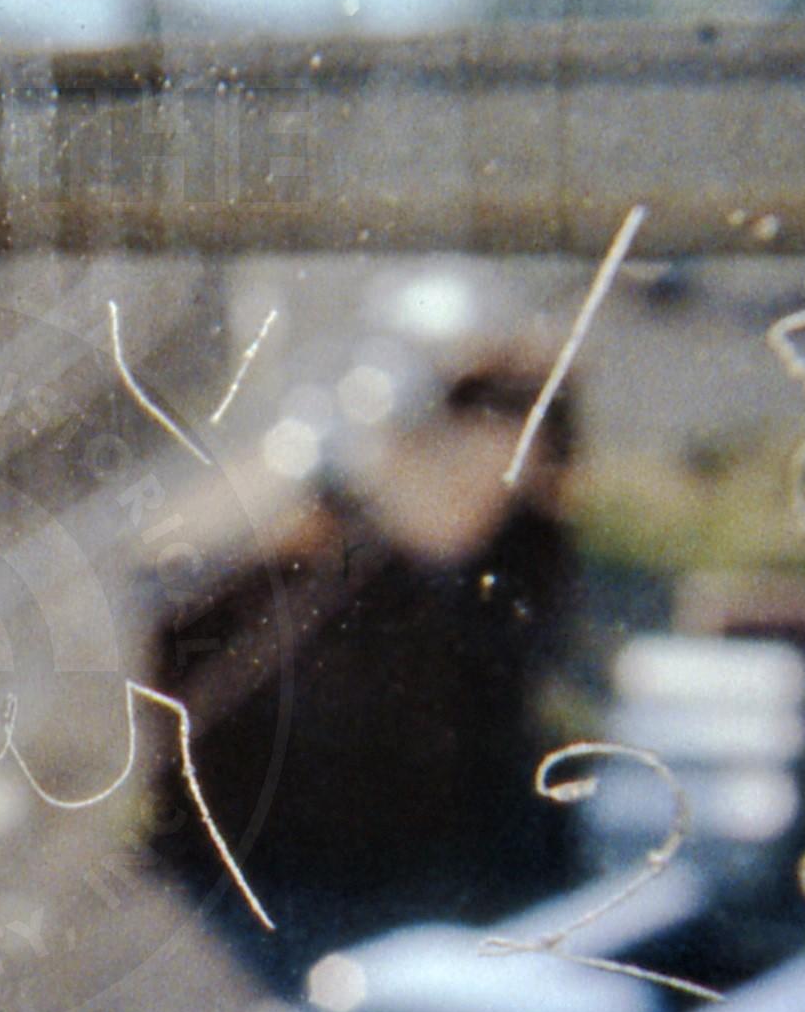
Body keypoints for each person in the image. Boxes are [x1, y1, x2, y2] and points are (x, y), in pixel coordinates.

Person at [149, 343, 586, 974]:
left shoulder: (523, 554)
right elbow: (168, 560)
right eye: (459, 458)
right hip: (267, 869)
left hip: (427, 874)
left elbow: (451, 545)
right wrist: (315, 475)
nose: (481, 488)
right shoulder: (315, 523)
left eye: (514, 470)